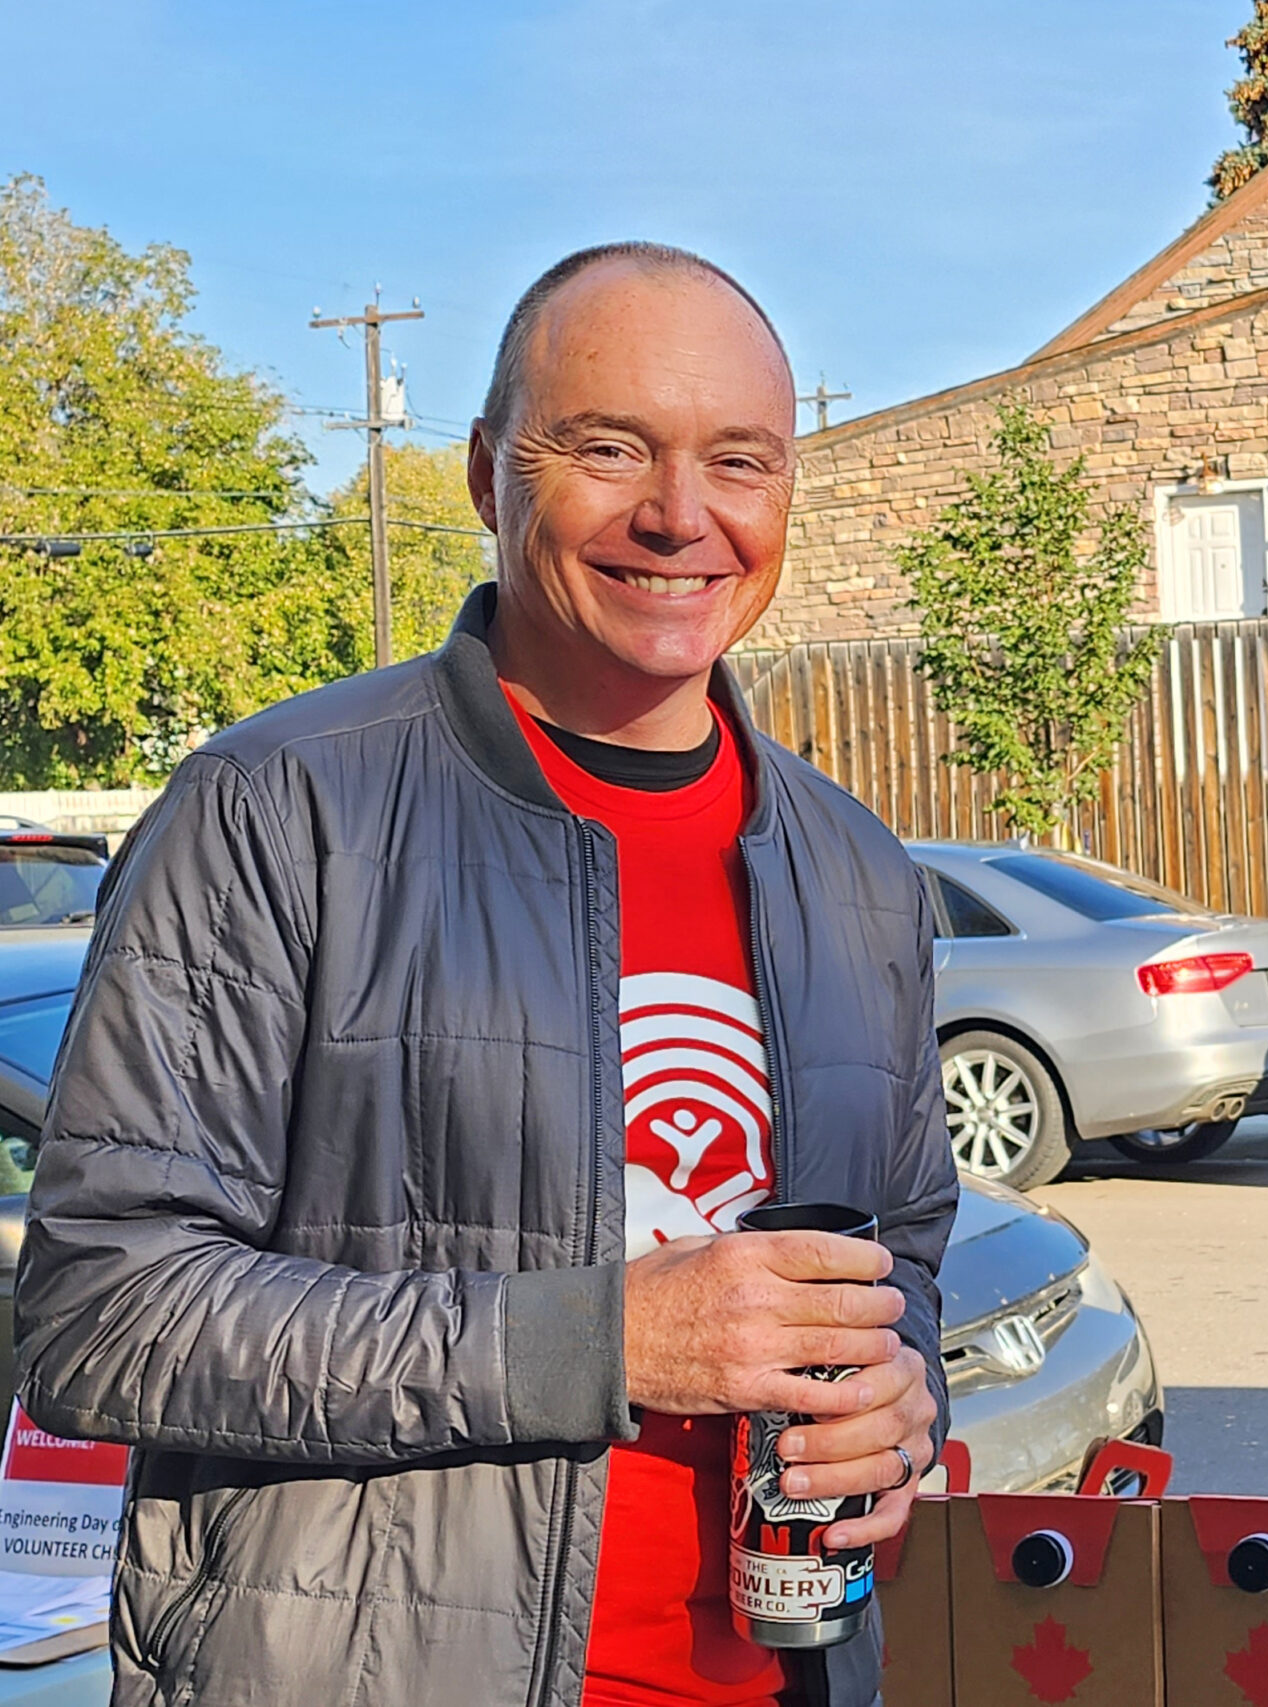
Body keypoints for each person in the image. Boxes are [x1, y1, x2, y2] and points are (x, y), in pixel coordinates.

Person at [14, 242, 957, 1707]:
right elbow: (104, 1315)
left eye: (740, 462)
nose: (680, 515)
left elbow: (904, 1277)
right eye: (609, 447)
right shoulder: (280, 808)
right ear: (484, 476)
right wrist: (604, 1337)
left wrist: (903, 1403)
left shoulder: (859, 875)